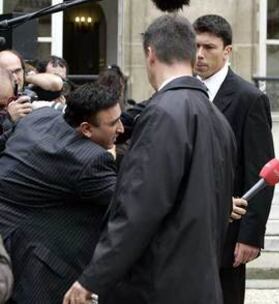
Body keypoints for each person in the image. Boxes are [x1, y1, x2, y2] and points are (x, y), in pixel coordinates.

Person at [63, 14, 236, 304]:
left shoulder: (163, 113)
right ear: (192, 55)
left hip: (157, 287)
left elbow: (139, 207)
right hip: (201, 286)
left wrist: (92, 279)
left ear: (150, 53)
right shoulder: (218, 118)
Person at [0, 82, 123, 304]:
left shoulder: (39, 118)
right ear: (86, 128)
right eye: (114, 123)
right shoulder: (90, 161)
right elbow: (129, 206)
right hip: (37, 271)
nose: (121, 129)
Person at [193, 14, 275, 304]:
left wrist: (250, 235)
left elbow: (261, 173)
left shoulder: (248, 98)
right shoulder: (180, 91)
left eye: (209, 47)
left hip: (227, 235)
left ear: (227, 51)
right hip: (187, 233)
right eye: (196, 46)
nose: (200, 54)